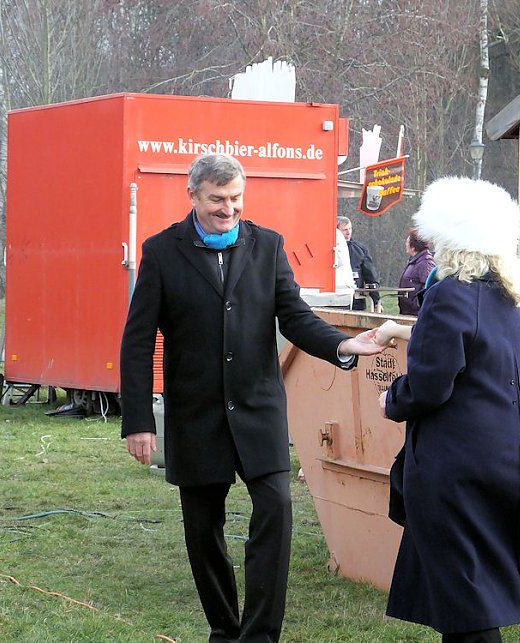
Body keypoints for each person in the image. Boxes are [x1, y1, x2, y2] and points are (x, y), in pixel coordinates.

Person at [119, 153, 385, 643]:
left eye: (236, 198)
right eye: (217, 199)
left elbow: (295, 316)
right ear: (193, 196)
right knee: (204, 531)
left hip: (259, 411)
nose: (229, 209)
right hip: (196, 417)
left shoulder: (267, 246)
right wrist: (138, 421)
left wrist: (343, 345)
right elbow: (137, 343)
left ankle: (260, 635)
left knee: (276, 511)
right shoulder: (161, 252)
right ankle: (224, 630)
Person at [373, 177, 520, 643]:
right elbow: (464, 351)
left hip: (454, 467)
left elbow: (431, 385)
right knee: (469, 593)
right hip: (500, 459)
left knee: (464, 605)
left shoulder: (450, 294)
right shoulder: (504, 296)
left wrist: (392, 399)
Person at [336, 216, 383, 313]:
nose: (348, 232)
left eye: (350, 228)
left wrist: (376, 301)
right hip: (335, 300)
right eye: (344, 230)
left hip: (357, 302)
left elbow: (370, 276)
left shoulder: (360, 249)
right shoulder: (329, 250)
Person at [397, 228, 435, 315]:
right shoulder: (414, 261)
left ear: (413, 247)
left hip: (417, 313)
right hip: (408, 312)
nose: (406, 244)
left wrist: (416, 304)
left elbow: (428, 287)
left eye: (407, 242)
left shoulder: (426, 262)